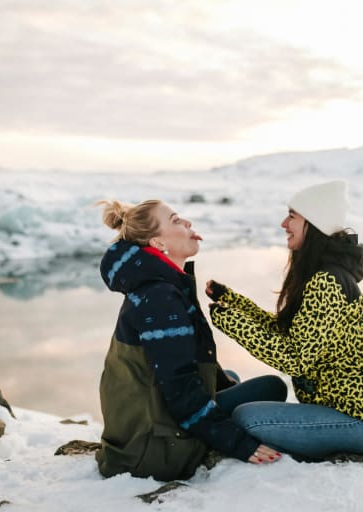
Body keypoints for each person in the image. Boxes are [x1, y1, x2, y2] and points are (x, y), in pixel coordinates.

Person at [206, 180, 363, 459]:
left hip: (362, 423)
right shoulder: (323, 274)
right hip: (348, 413)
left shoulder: (327, 282)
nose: (283, 223)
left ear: (314, 223)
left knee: (247, 418)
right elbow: (285, 332)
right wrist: (232, 302)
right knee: (265, 393)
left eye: (292, 216)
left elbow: (295, 358)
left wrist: (230, 322)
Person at [95, 199, 287, 481]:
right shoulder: (160, 298)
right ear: (158, 243)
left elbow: (183, 361)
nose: (187, 223)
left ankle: (210, 415)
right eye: (175, 220)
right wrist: (238, 444)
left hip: (140, 431)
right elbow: (179, 385)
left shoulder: (160, 287)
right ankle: (201, 434)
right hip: (154, 450)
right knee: (272, 387)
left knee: (227, 377)